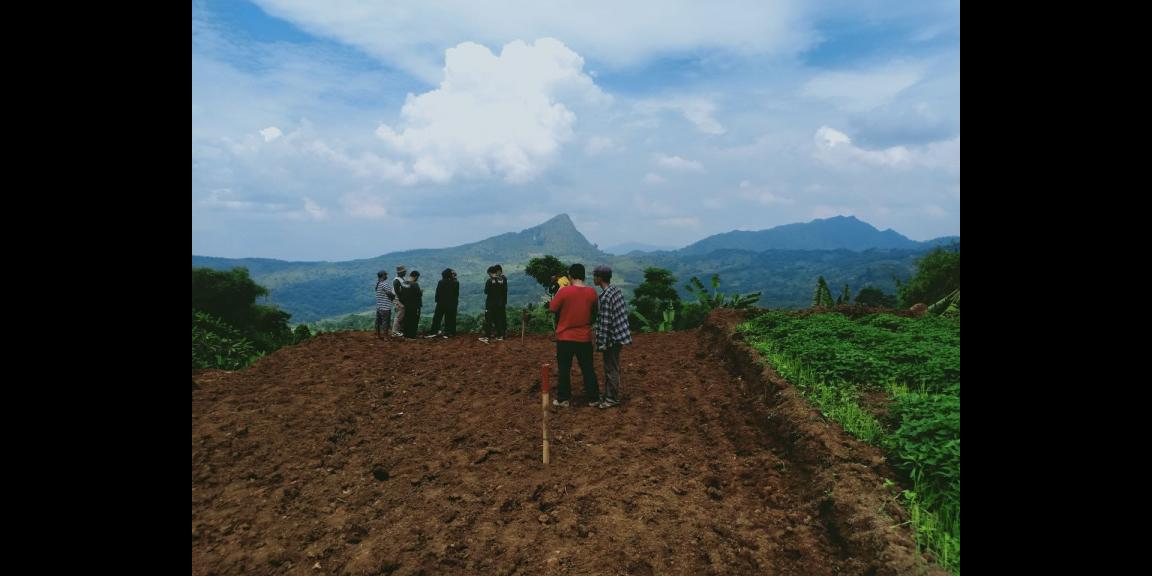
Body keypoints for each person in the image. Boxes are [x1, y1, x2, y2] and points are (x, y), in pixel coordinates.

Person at [549, 263, 600, 406]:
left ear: (570, 276)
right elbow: (594, 312)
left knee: (564, 369)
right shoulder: (592, 292)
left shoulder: (564, 292)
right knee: (588, 368)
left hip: (565, 337)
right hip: (584, 337)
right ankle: (594, 398)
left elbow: (552, 308)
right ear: (584, 276)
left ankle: (563, 398)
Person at [592, 265, 631, 408]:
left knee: (610, 368)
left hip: (612, 338)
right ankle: (609, 394)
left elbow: (605, 323)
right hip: (620, 335)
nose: (593, 278)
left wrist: (601, 344)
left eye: (595, 275)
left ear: (600, 278)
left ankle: (612, 398)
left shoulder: (605, 297)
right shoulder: (615, 291)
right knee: (612, 366)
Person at [428, 268, 459, 338]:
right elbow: (456, 295)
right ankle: (449, 332)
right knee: (450, 318)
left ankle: (434, 331)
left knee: (437, 318)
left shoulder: (441, 282)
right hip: (451, 304)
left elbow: (438, 293)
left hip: (441, 303)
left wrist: (437, 301)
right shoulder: (455, 283)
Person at [480, 264, 508, 342]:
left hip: (491, 304)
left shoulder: (489, 281)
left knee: (488, 319)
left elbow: (486, 291)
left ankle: (487, 336)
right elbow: (504, 291)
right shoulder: (502, 280)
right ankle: (500, 335)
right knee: (499, 319)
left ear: (491, 273)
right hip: (499, 303)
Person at [400, 270, 423, 338]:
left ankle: (406, 334)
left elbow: (402, 295)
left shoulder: (404, 283)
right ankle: (412, 335)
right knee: (414, 320)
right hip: (415, 306)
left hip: (407, 305)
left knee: (407, 319)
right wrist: (421, 292)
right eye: (417, 277)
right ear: (416, 276)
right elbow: (418, 294)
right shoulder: (415, 284)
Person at [374, 270, 395, 338]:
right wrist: (393, 297)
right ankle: (385, 336)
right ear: (383, 276)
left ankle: (377, 335)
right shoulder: (384, 284)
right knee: (385, 322)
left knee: (378, 322)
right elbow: (389, 293)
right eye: (385, 275)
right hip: (385, 307)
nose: (386, 276)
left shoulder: (378, 283)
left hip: (379, 306)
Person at [391, 265, 408, 337]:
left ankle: (399, 331)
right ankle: (395, 332)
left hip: (399, 299)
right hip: (398, 300)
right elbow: (398, 292)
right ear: (400, 272)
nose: (405, 272)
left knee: (401, 315)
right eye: (404, 271)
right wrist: (402, 301)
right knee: (399, 316)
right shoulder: (397, 280)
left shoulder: (401, 279)